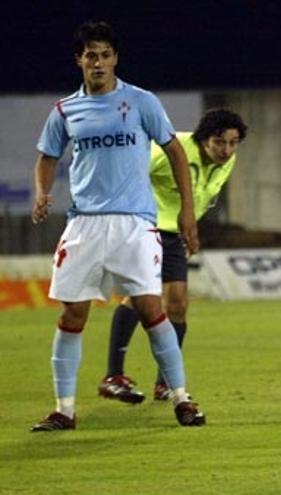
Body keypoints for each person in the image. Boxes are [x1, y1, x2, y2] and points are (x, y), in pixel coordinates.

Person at [30, 21, 205, 431]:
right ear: (79, 60)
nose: (98, 62)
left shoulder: (141, 101)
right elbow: (46, 156)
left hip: (134, 223)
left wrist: (186, 211)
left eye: (105, 54)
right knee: (73, 315)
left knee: (150, 308)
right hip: (85, 225)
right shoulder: (64, 110)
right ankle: (65, 410)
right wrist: (41, 192)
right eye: (91, 55)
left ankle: (182, 398)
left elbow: (175, 151)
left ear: (115, 59)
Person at [97, 109, 248, 403]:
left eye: (233, 143)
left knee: (177, 304)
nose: (226, 150)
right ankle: (113, 375)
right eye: (219, 142)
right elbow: (130, 172)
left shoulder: (227, 161)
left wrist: (191, 230)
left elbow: (200, 197)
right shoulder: (172, 148)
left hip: (175, 235)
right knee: (140, 298)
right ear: (204, 139)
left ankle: (165, 382)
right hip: (145, 228)